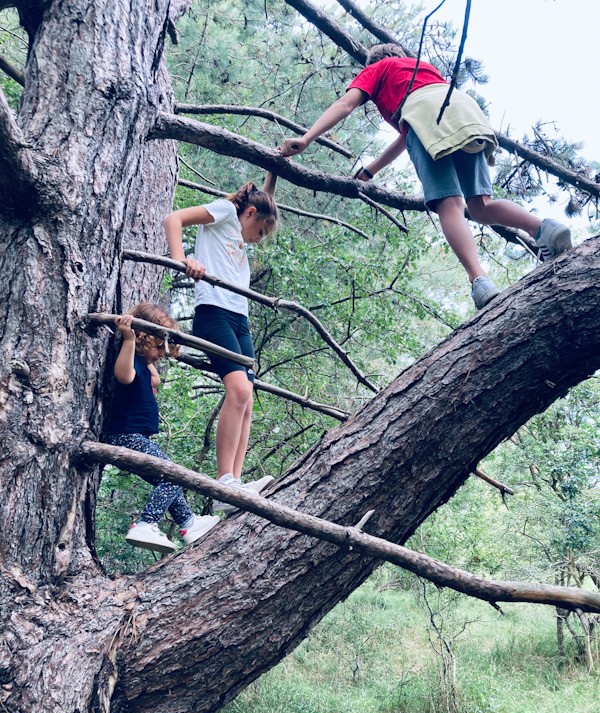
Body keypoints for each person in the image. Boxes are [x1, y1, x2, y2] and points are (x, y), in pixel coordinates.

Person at [279, 43, 572, 310]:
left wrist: (306, 139)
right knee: (481, 205)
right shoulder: (423, 69)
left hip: (424, 115)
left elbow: (346, 104)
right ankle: (544, 228)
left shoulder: (378, 69)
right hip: (463, 110)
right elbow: (408, 135)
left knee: (449, 204)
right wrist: (371, 170)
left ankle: (479, 281)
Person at [163, 176, 278, 511]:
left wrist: (274, 171)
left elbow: (267, 198)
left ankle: (235, 487)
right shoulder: (226, 211)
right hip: (213, 312)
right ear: (250, 214)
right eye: (260, 231)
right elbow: (174, 218)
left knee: (248, 397)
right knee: (239, 391)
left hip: (239, 318)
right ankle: (224, 480)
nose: (258, 240)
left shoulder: (246, 219)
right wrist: (182, 258)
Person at [106, 303, 220, 554]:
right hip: (126, 436)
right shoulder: (131, 359)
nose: (161, 354)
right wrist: (128, 339)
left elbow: (155, 378)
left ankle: (189, 524)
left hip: (135, 437)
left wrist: (151, 357)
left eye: (164, 349)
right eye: (158, 347)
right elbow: (123, 376)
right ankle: (146, 523)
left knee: (168, 477)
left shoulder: (144, 365)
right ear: (142, 339)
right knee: (171, 474)